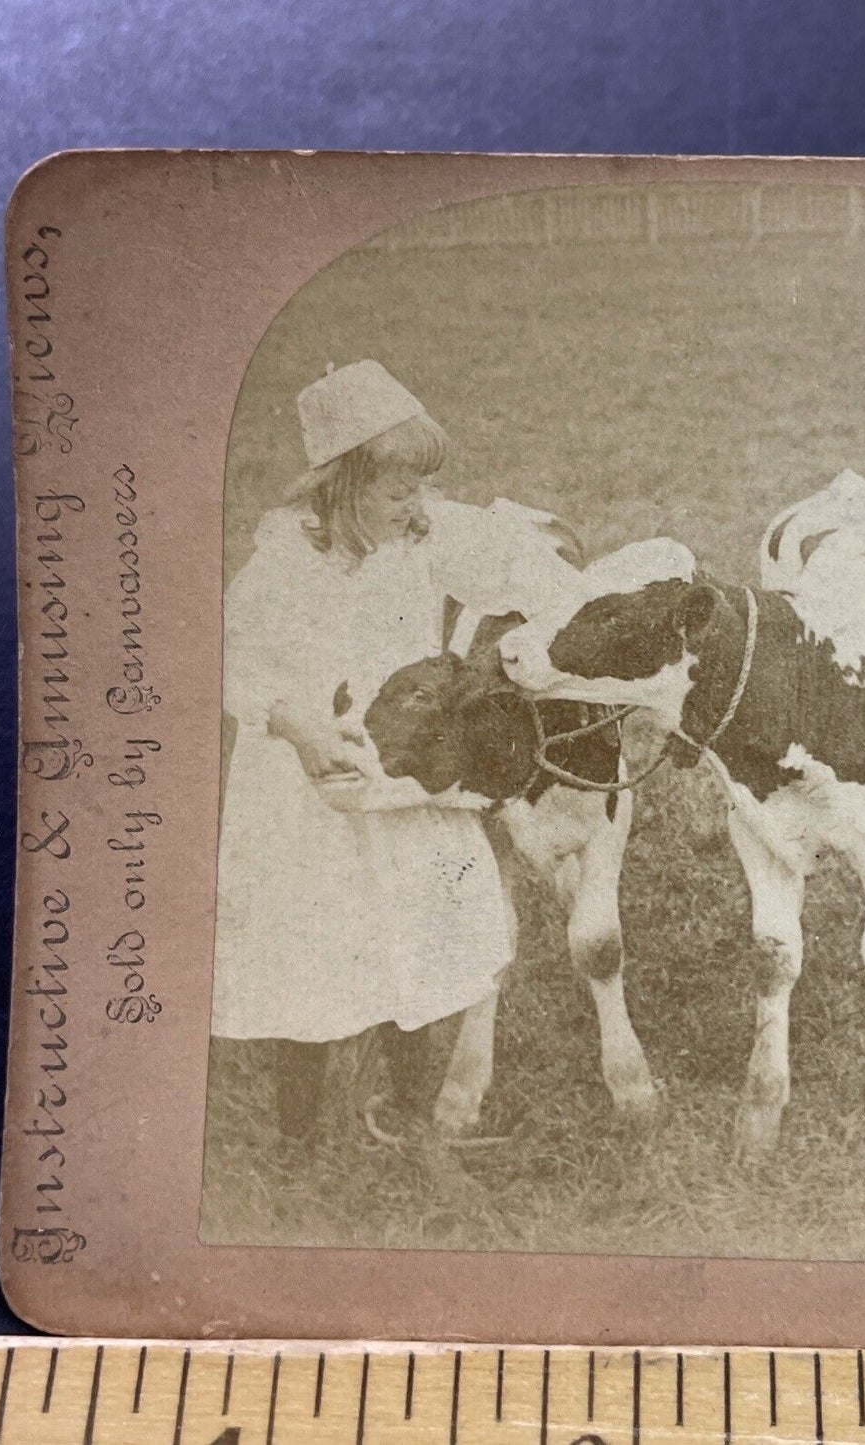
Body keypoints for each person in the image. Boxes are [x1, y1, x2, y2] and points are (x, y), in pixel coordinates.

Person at [212, 360, 580, 1142]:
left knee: (413, 939)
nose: (417, 505)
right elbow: (232, 662)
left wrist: (572, 606)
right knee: (312, 955)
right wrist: (301, 731)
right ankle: (299, 1140)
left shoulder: (423, 536)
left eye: (422, 486)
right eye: (397, 490)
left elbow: (519, 560)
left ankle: (413, 1112)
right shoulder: (281, 567)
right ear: (339, 489)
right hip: (309, 793)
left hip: (401, 774)